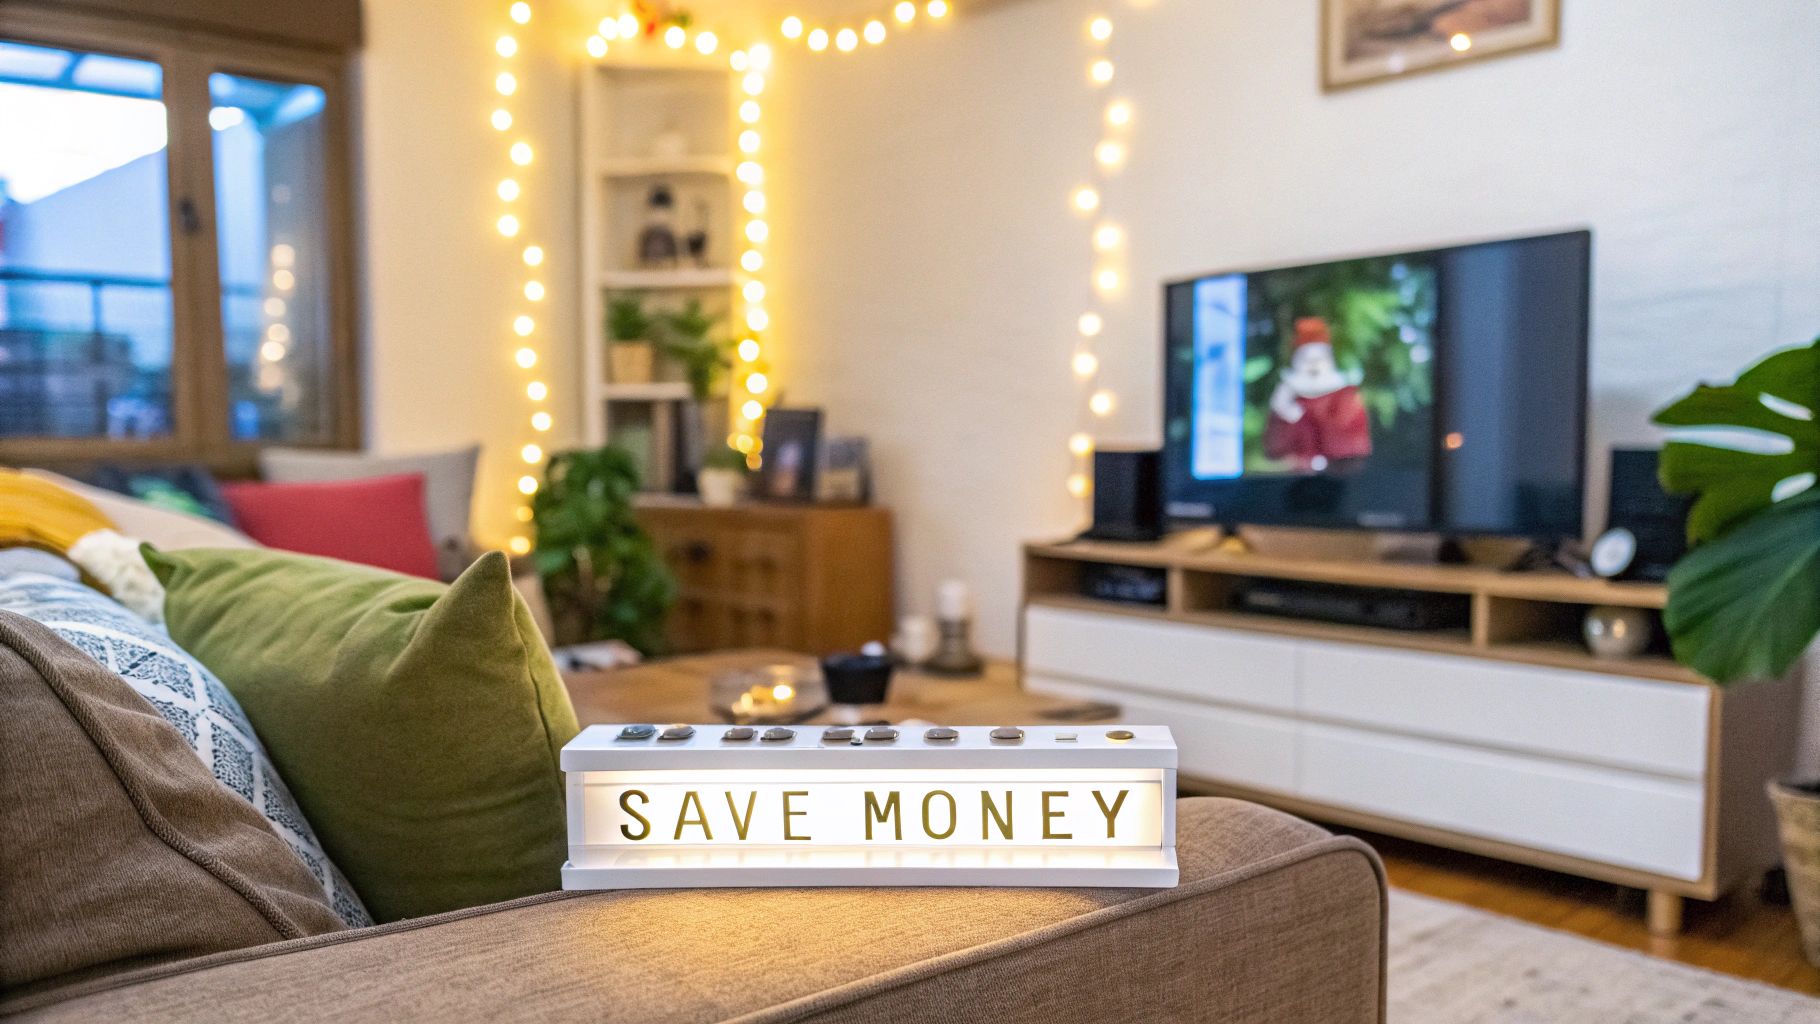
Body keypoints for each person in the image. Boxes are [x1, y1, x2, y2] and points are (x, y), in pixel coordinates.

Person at [1262, 316, 1372, 470]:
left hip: (1339, 470)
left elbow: (1350, 432)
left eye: (1319, 359)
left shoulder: (1344, 394)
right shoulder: (1289, 391)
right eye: (1307, 359)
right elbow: (1275, 445)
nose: (1314, 365)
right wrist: (1286, 411)